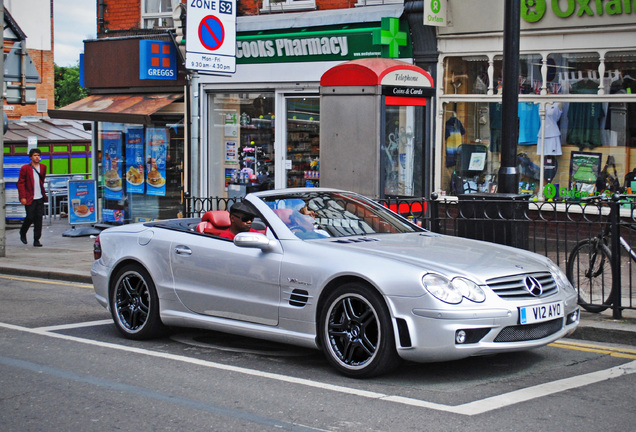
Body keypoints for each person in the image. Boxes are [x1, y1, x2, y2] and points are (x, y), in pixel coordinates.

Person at [17, 148, 48, 247]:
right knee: (30, 217)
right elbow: (21, 183)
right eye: (35, 155)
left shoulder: (43, 167)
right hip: (30, 197)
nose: (37, 157)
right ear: (30, 157)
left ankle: (36, 240)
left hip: (40, 197)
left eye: (38, 155)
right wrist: (22, 196)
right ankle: (23, 232)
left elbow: (42, 180)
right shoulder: (25, 168)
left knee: (39, 219)